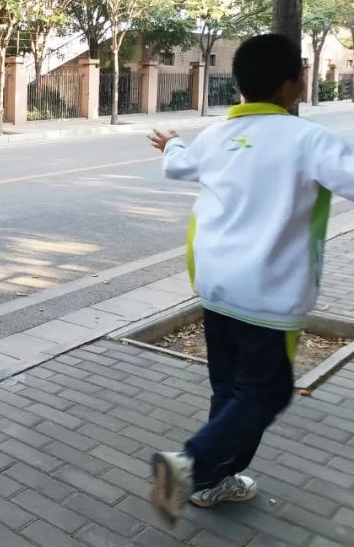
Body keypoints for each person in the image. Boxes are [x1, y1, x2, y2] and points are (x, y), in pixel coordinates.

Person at [147, 33, 354, 524]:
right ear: (294, 84)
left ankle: (216, 479)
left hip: (216, 290)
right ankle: (191, 466)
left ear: (237, 84)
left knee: (229, 388)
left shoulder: (218, 136)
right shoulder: (309, 140)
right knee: (267, 393)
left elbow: (178, 166)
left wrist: (173, 142)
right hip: (268, 299)